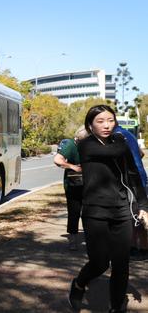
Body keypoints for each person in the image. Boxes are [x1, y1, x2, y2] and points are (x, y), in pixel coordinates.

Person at [68, 105, 148, 313]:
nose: (107, 125)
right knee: (100, 262)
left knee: (122, 264)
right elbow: (117, 150)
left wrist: (143, 205)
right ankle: (78, 284)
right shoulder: (86, 145)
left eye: (111, 120)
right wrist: (127, 142)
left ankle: (116, 307)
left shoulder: (120, 142)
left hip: (122, 210)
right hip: (95, 212)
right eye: (100, 121)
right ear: (90, 125)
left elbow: (133, 175)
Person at [113, 124, 148, 259]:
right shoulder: (128, 134)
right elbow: (141, 153)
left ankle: (140, 249)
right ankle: (136, 248)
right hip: (139, 177)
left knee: (136, 216)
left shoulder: (116, 136)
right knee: (137, 214)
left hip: (132, 180)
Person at [54, 126, 89, 250]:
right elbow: (57, 160)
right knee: (74, 212)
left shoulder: (92, 144)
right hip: (73, 185)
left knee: (89, 212)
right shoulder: (70, 144)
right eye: (80, 142)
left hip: (90, 185)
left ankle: (92, 238)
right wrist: (73, 167)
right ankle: (73, 240)